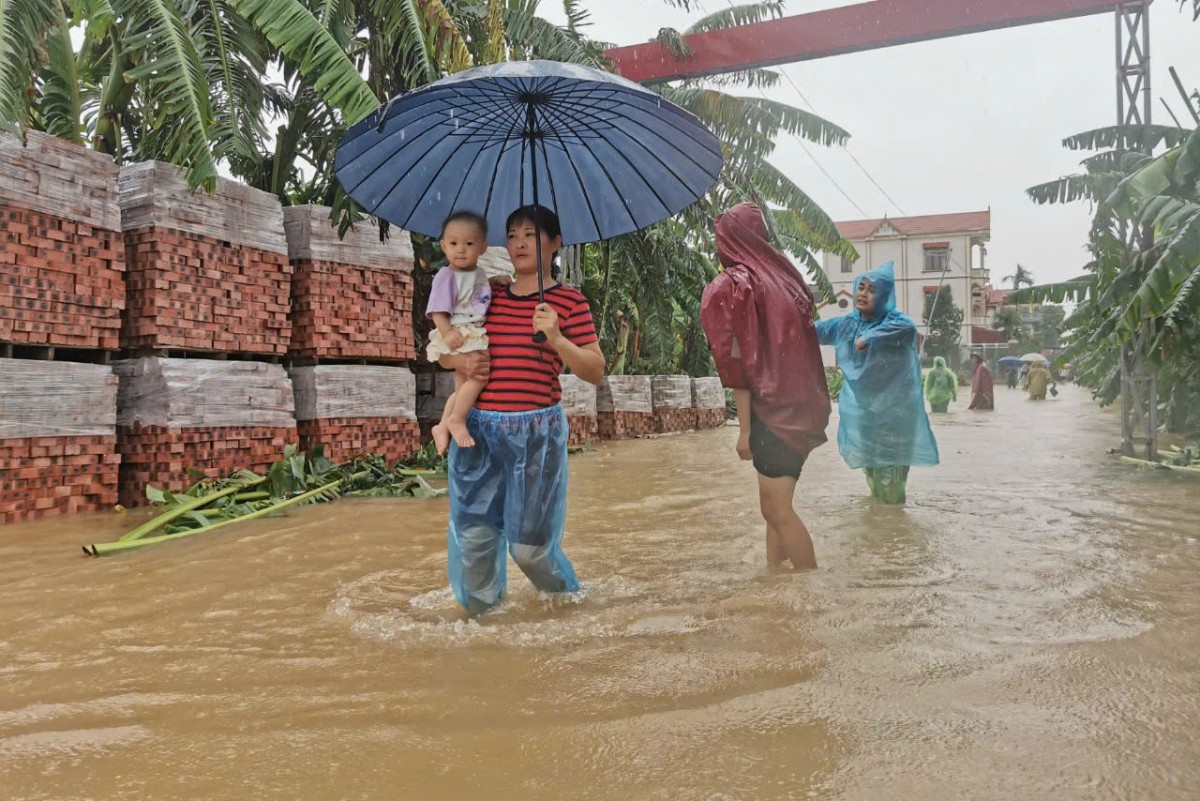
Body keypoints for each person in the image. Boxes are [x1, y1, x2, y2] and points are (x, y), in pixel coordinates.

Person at [438, 205, 605, 615]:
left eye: (529, 234)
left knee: (530, 549)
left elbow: (595, 371)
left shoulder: (568, 303)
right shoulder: (486, 295)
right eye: (512, 235)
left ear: (555, 243)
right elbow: (447, 352)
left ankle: (570, 608)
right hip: (477, 431)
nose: (518, 243)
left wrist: (557, 338)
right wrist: (458, 363)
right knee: (475, 541)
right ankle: (482, 632)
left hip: (535, 435)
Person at [699, 202, 831, 571]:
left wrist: (743, 430)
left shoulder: (739, 286)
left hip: (773, 412)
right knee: (774, 506)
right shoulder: (786, 280)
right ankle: (777, 582)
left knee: (776, 507)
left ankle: (809, 590)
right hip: (804, 408)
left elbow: (739, 364)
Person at [814, 262, 939, 505]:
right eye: (860, 287)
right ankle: (880, 526)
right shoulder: (846, 324)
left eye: (871, 290)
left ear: (883, 297)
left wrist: (870, 337)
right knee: (872, 470)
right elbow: (812, 331)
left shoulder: (896, 322)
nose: (863, 294)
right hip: (865, 413)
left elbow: (907, 328)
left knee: (891, 472)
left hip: (896, 414)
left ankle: (893, 530)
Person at [426, 212, 492, 453]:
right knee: (478, 377)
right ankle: (457, 419)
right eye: (453, 243)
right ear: (443, 246)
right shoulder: (446, 275)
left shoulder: (478, 273)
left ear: (483, 247)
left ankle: (443, 425)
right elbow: (437, 310)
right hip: (459, 332)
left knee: (463, 387)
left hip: (471, 331)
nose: (461, 250)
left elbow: (477, 292)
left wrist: (497, 282)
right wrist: (447, 332)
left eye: (469, 243)